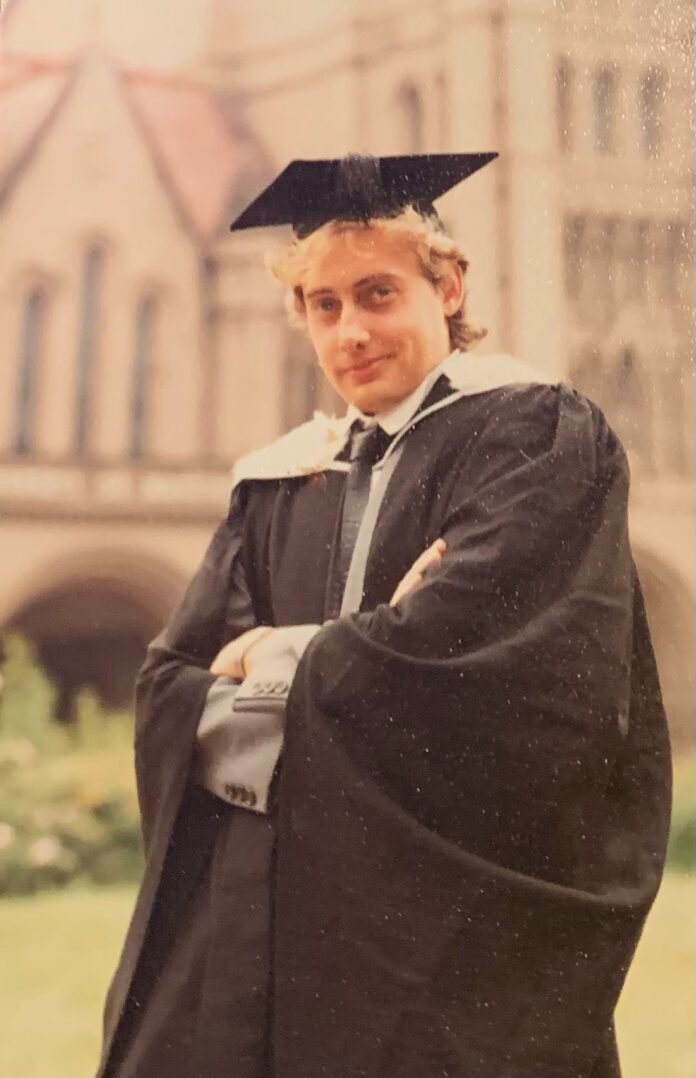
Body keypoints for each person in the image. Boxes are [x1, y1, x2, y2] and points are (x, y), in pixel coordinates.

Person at [97, 153, 671, 1078]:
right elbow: (169, 691)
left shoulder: (534, 437)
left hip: (447, 935)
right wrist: (370, 652)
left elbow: (473, 671)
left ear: (448, 288)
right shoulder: (278, 481)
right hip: (269, 926)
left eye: (377, 293)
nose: (351, 331)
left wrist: (276, 656)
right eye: (324, 305)